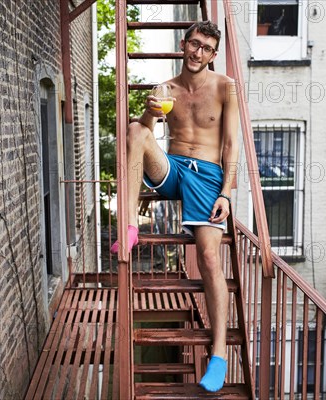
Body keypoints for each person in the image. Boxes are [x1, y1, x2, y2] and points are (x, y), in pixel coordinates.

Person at [110, 21, 239, 392]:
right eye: (194, 44)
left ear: (213, 55)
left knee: (210, 259)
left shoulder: (225, 87)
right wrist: (150, 112)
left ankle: (218, 355)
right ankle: (130, 226)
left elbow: (231, 146)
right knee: (135, 130)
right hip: (172, 167)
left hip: (208, 176)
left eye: (206, 48)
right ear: (184, 45)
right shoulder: (165, 88)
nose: (198, 52)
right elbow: (148, 130)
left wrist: (226, 193)